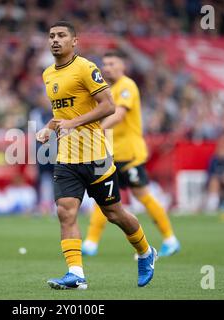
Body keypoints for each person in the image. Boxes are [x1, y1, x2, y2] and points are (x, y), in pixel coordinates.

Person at [36, 21, 156, 290]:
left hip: (96, 156)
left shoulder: (87, 68)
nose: (55, 40)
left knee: (114, 214)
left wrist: (74, 123)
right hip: (67, 157)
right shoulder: (48, 74)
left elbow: (109, 106)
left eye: (61, 36)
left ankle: (146, 252)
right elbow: (62, 114)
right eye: (52, 36)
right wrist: (48, 127)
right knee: (65, 212)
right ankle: (76, 274)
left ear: (74, 41)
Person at [82, 51, 181, 258]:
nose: (107, 67)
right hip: (108, 153)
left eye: (112, 63)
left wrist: (96, 130)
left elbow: (119, 115)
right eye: (105, 64)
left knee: (142, 195)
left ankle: (170, 239)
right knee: (103, 196)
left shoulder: (127, 86)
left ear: (123, 66)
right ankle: (90, 243)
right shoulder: (106, 90)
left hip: (129, 154)